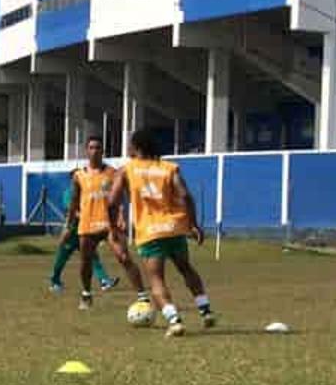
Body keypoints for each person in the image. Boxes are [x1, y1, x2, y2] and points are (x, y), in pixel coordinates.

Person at [108, 130, 216, 338]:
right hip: (174, 228)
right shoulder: (168, 168)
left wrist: (113, 227)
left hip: (150, 232)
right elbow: (185, 196)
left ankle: (174, 321)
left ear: (136, 147)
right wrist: (193, 224)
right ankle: (206, 310)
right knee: (186, 268)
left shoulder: (126, 170)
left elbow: (112, 202)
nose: (128, 149)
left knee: (156, 279)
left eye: (130, 145)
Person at [66, 136, 143, 310]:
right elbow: (74, 201)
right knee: (85, 262)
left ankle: (142, 297)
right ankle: (86, 294)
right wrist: (69, 224)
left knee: (124, 257)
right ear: (86, 150)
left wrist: (122, 216)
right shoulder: (79, 175)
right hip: (87, 224)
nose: (95, 150)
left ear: (103, 151)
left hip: (109, 224)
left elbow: (121, 197)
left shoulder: (113, 172)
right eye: (91, 147)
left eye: (98, 147)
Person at [47, 172, 115, 297]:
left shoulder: (88, 192)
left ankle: (104, 281)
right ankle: (54, 281)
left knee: (93, 257)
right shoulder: (69, 193)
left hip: (85, 231)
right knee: (62, 258)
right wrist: (82, 219)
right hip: (72, 231)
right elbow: (72, 211)